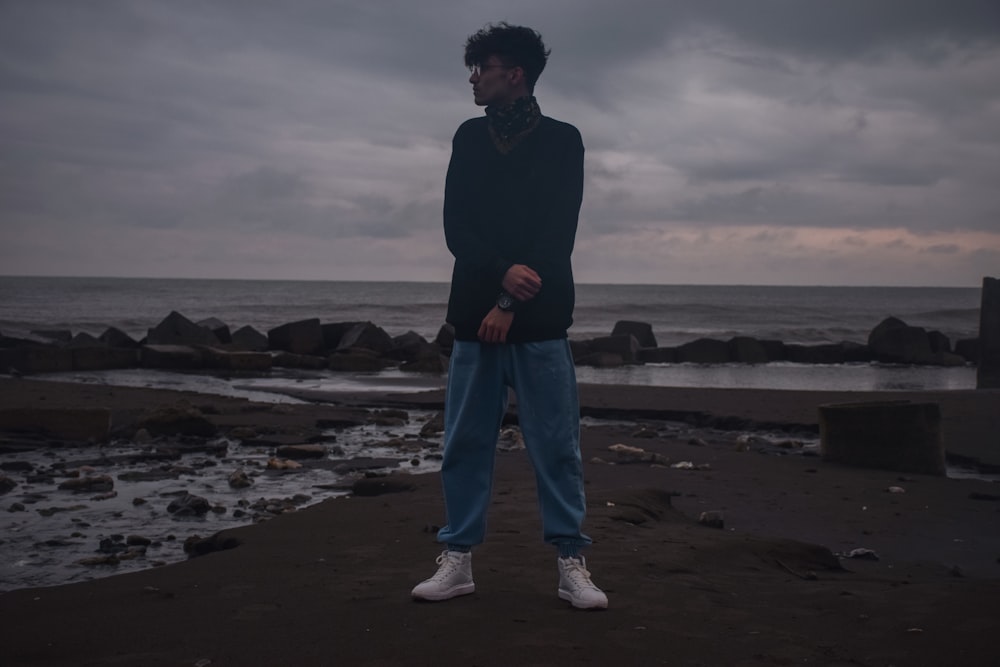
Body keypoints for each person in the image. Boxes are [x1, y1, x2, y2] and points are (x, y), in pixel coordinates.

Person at [411, 23, 607, 610]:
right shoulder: (468, 138)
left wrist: (510, 301)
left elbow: (557, 232)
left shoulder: (562, 140)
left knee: (557, 444)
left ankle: (571, 562)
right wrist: (497, 279)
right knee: (465, 442)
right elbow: (456, 227)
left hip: (540, 315)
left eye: (483, 68)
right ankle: (458, 560)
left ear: (514, 73)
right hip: (475, 312)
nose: (473, 78)